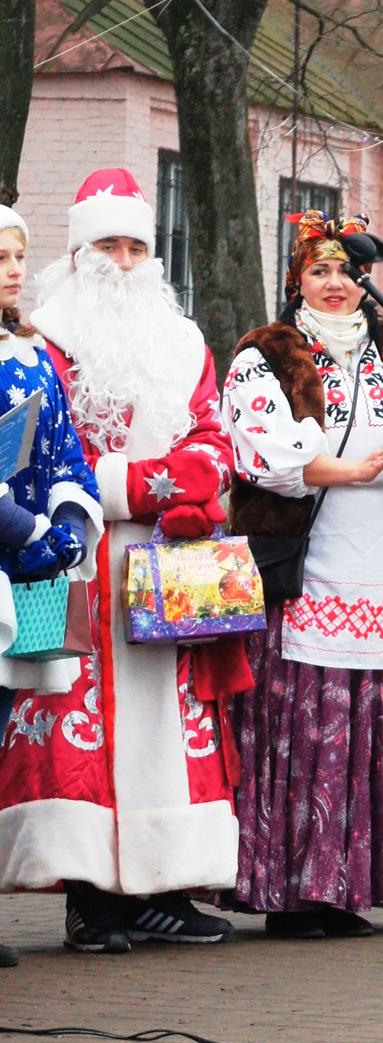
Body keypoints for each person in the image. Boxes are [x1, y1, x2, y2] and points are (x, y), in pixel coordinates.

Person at [0, 168, 242, 953]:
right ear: (78, 251)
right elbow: (48, 447)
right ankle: (91, 897)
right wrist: (147, 484)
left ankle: (161, 887)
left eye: (138, 243)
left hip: (169, 554)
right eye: (108, 243)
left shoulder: (182, 338)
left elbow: (211, 433)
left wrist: (187, 481)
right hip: (82, 553)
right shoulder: (48, 337)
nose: (127, 259)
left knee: (169, 725)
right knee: (85, 723)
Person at [221, 211, 383, 936]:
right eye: (319, 270)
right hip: (304, 558)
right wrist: (348, 467)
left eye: (346, 270)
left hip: (380, 565)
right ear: (296, 279)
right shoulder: (267, 353)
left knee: (370, 715)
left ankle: (353, 885)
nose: (336, 284)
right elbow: (263, 449)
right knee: (307, 716)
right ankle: (294, 891)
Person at [0, 205, 105, 968]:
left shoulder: (31, 351)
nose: (12, 269)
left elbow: (64, 446)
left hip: (19, 577)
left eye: (16, 256)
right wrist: (24, 528)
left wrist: (66, 515)